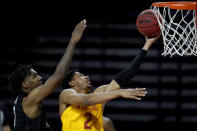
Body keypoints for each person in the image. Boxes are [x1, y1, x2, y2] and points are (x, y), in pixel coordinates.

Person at [59, 19, 161, 131]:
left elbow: (126, 75)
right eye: (81, 76)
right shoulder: (66, 94)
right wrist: (120, 92)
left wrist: (147, 45)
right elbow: (84, 100)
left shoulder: (100, 94)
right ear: (72, 83)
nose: (86, 77)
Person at [8, 19, 87, 131]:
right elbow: (59, 75)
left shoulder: (25, 102)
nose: (40, 78)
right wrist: (72, 42)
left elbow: (42, 125)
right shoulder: (31, 98)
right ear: (25, 84)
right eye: (35, 76)